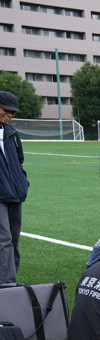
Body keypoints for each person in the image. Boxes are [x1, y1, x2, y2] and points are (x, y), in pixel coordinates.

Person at [0, 91, 28, 285]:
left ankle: (11, 280)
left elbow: (19, 162)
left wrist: (22, 183)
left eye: (13, 112)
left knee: (13, 241)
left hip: (15, 195)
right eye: (6, 110)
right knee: (4, 241)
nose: (10, 115)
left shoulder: (12, 133)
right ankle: (7, 284)